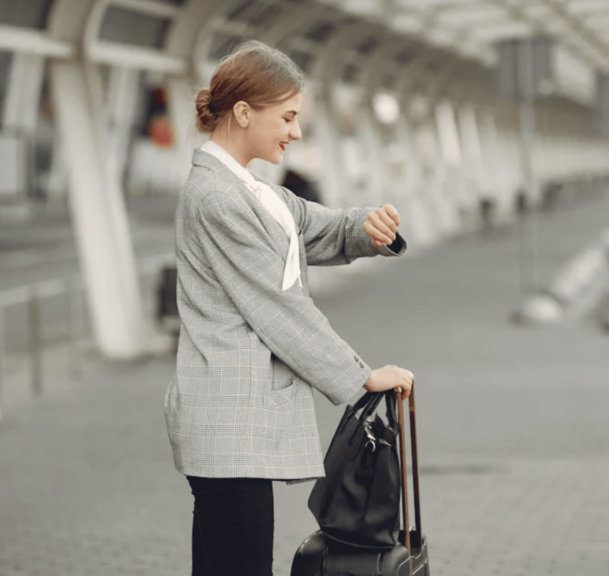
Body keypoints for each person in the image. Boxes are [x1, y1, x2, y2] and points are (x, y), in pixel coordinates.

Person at [163, 40, 415, 576]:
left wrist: (366, 226)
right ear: (244, 112)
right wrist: (361, 377)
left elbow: (315, 227)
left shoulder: (254, 191)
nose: (296, 132)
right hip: (228, 422)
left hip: (233, 425)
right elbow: (277, 308)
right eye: (289, 116)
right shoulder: (217, 198)